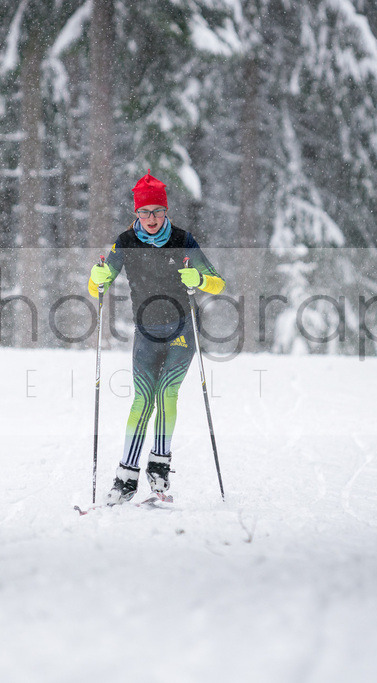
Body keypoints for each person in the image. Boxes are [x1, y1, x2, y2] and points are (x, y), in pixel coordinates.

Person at [87, 172, 225, 504]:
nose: (151, 219)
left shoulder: (184, 240)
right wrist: (96, 278)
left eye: (157, 212)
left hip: (181, 331)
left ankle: (159, 470)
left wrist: (200, 279)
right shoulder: (125, 242)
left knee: (167, 394)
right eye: (144, 212)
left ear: (166, 213)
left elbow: (218, 282)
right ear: (136, 214)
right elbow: (97, 287)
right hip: (146, 333)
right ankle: (125, 479)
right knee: (142, 400)